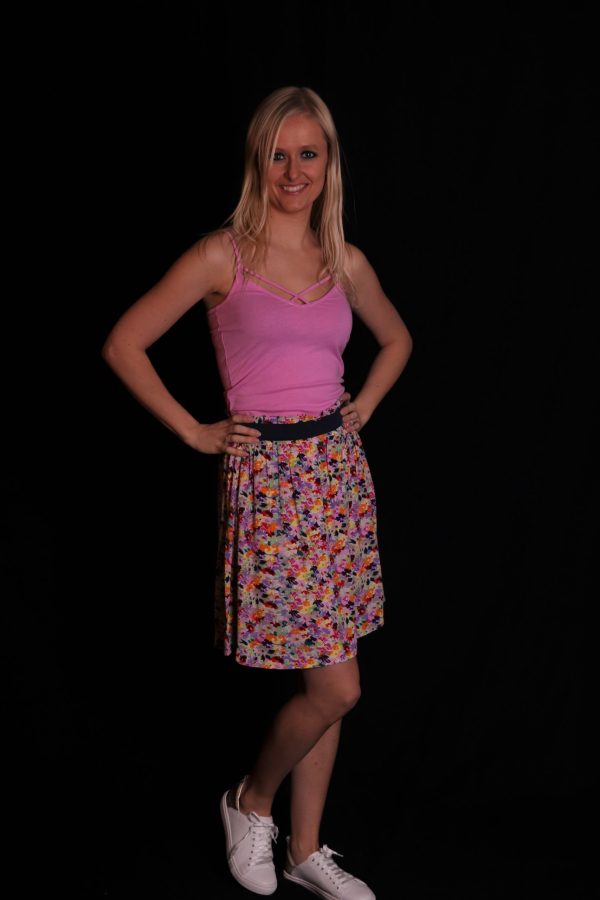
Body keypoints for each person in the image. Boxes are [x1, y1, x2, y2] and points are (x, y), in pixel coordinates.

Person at [101, 85, 413, 898]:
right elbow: (124, 342)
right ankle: (250, 801)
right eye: (279, 154)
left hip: (336, 477)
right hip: (270, 484)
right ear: (256, 161)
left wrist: (365, 404)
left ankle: (304, 850)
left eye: (309, 153)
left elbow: (397, 338)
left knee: (329, 680)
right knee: (336, 685)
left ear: (330, 162)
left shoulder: (345, 261)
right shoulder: (222, 256)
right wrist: (192, 430)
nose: (293, 170)